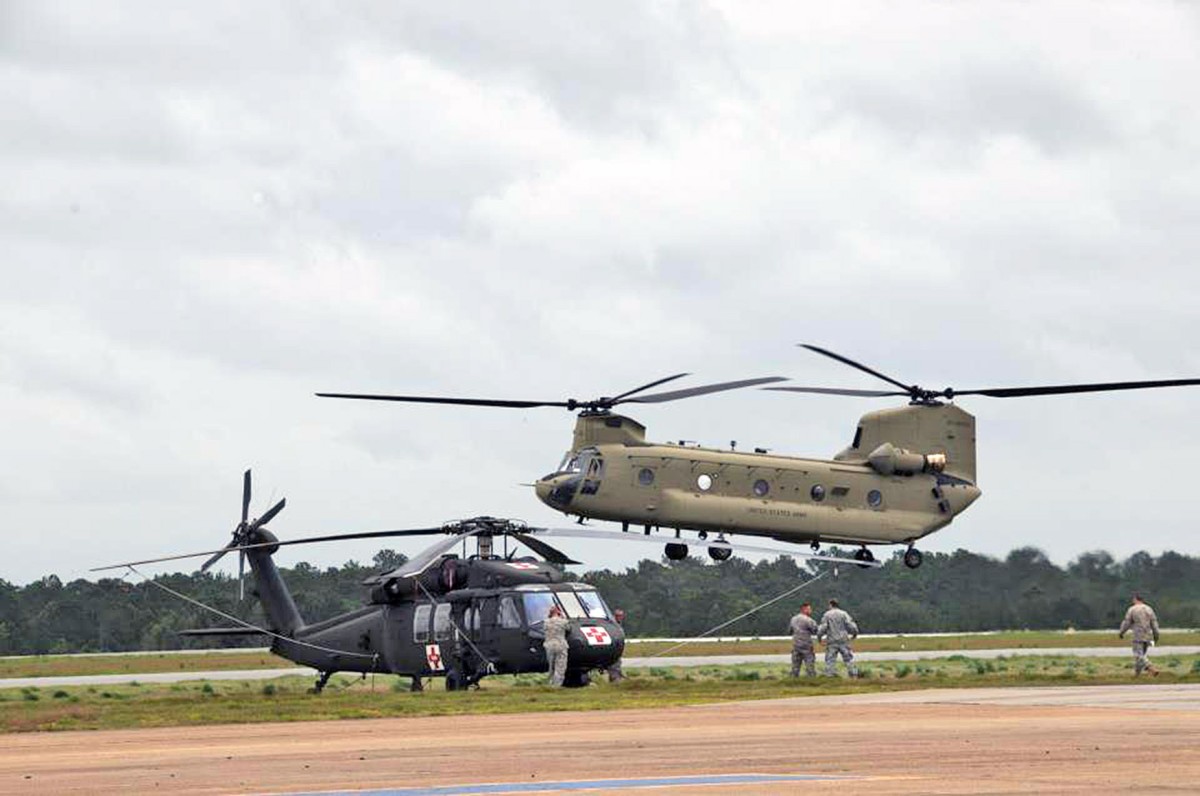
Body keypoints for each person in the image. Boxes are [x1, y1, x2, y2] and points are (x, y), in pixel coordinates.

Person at [1118, 593, 1160, 677]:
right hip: (1148, 635)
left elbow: (1127, 622)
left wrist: (1122, 632)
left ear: (1135, 599)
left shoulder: (1132, 609)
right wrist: (1156, 635)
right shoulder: (1149, 609)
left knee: (1138, 655)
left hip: (1137, 635)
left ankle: (1150, 667)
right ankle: (1137, 675)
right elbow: (1154, 623)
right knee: (1141, 655)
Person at [817, 598, 859, 677]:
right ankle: (853, 675)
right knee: (848, 659)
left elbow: (823, 628)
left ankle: (829, 676)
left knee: (830, 660)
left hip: (832, 641)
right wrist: (854, 634)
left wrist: (819, 638)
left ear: (830, 605)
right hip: (843, 640)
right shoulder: (844, 614)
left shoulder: (827, 615)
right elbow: (850, 625)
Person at [542, 604, 570, 686]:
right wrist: (563, 617)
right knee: (560, 666)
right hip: (561, 645)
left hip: (549, 645)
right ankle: (557, 685)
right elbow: (569, 628)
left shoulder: (546, 622)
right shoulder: (563, 621)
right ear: (558, 612)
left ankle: (550, 683)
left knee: (551, 666)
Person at [788, 602, 818, 677]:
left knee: (795, 666)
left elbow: (790, 631)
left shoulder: (793, 619)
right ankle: (811, 680)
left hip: (796, 645)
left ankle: (793, 680)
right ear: (804, 609)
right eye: (809, 609)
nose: (811, 611)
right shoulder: (809, 620)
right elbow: (815, 630)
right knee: (809, 665)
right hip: (806, 645)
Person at [607, 608, 626, 683]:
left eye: (621, 615)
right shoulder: (612, 625)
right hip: (613, 647)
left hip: (619, 647)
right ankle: (615, 678)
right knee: (614, 662)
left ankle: (617, 675)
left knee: (618, 662)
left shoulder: (619, 625)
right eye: (618, 615)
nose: (620, 617)